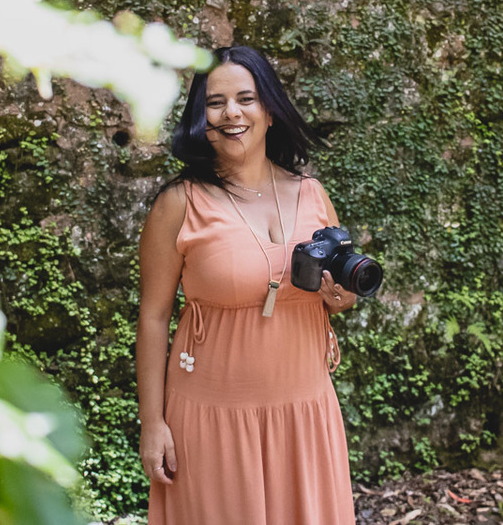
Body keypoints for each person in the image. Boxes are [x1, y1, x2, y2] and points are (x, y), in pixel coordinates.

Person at [136, 45, 358, 524]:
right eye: (215, 102)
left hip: (305, 413)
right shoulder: (180, 203)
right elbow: (153, 317)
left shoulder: (312, 195)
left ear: (270, 111)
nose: (231, 112)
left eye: (246, 98)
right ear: (201, 116)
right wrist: (152, 423)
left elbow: (335, 295)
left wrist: (340, 300)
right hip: (213, 419)